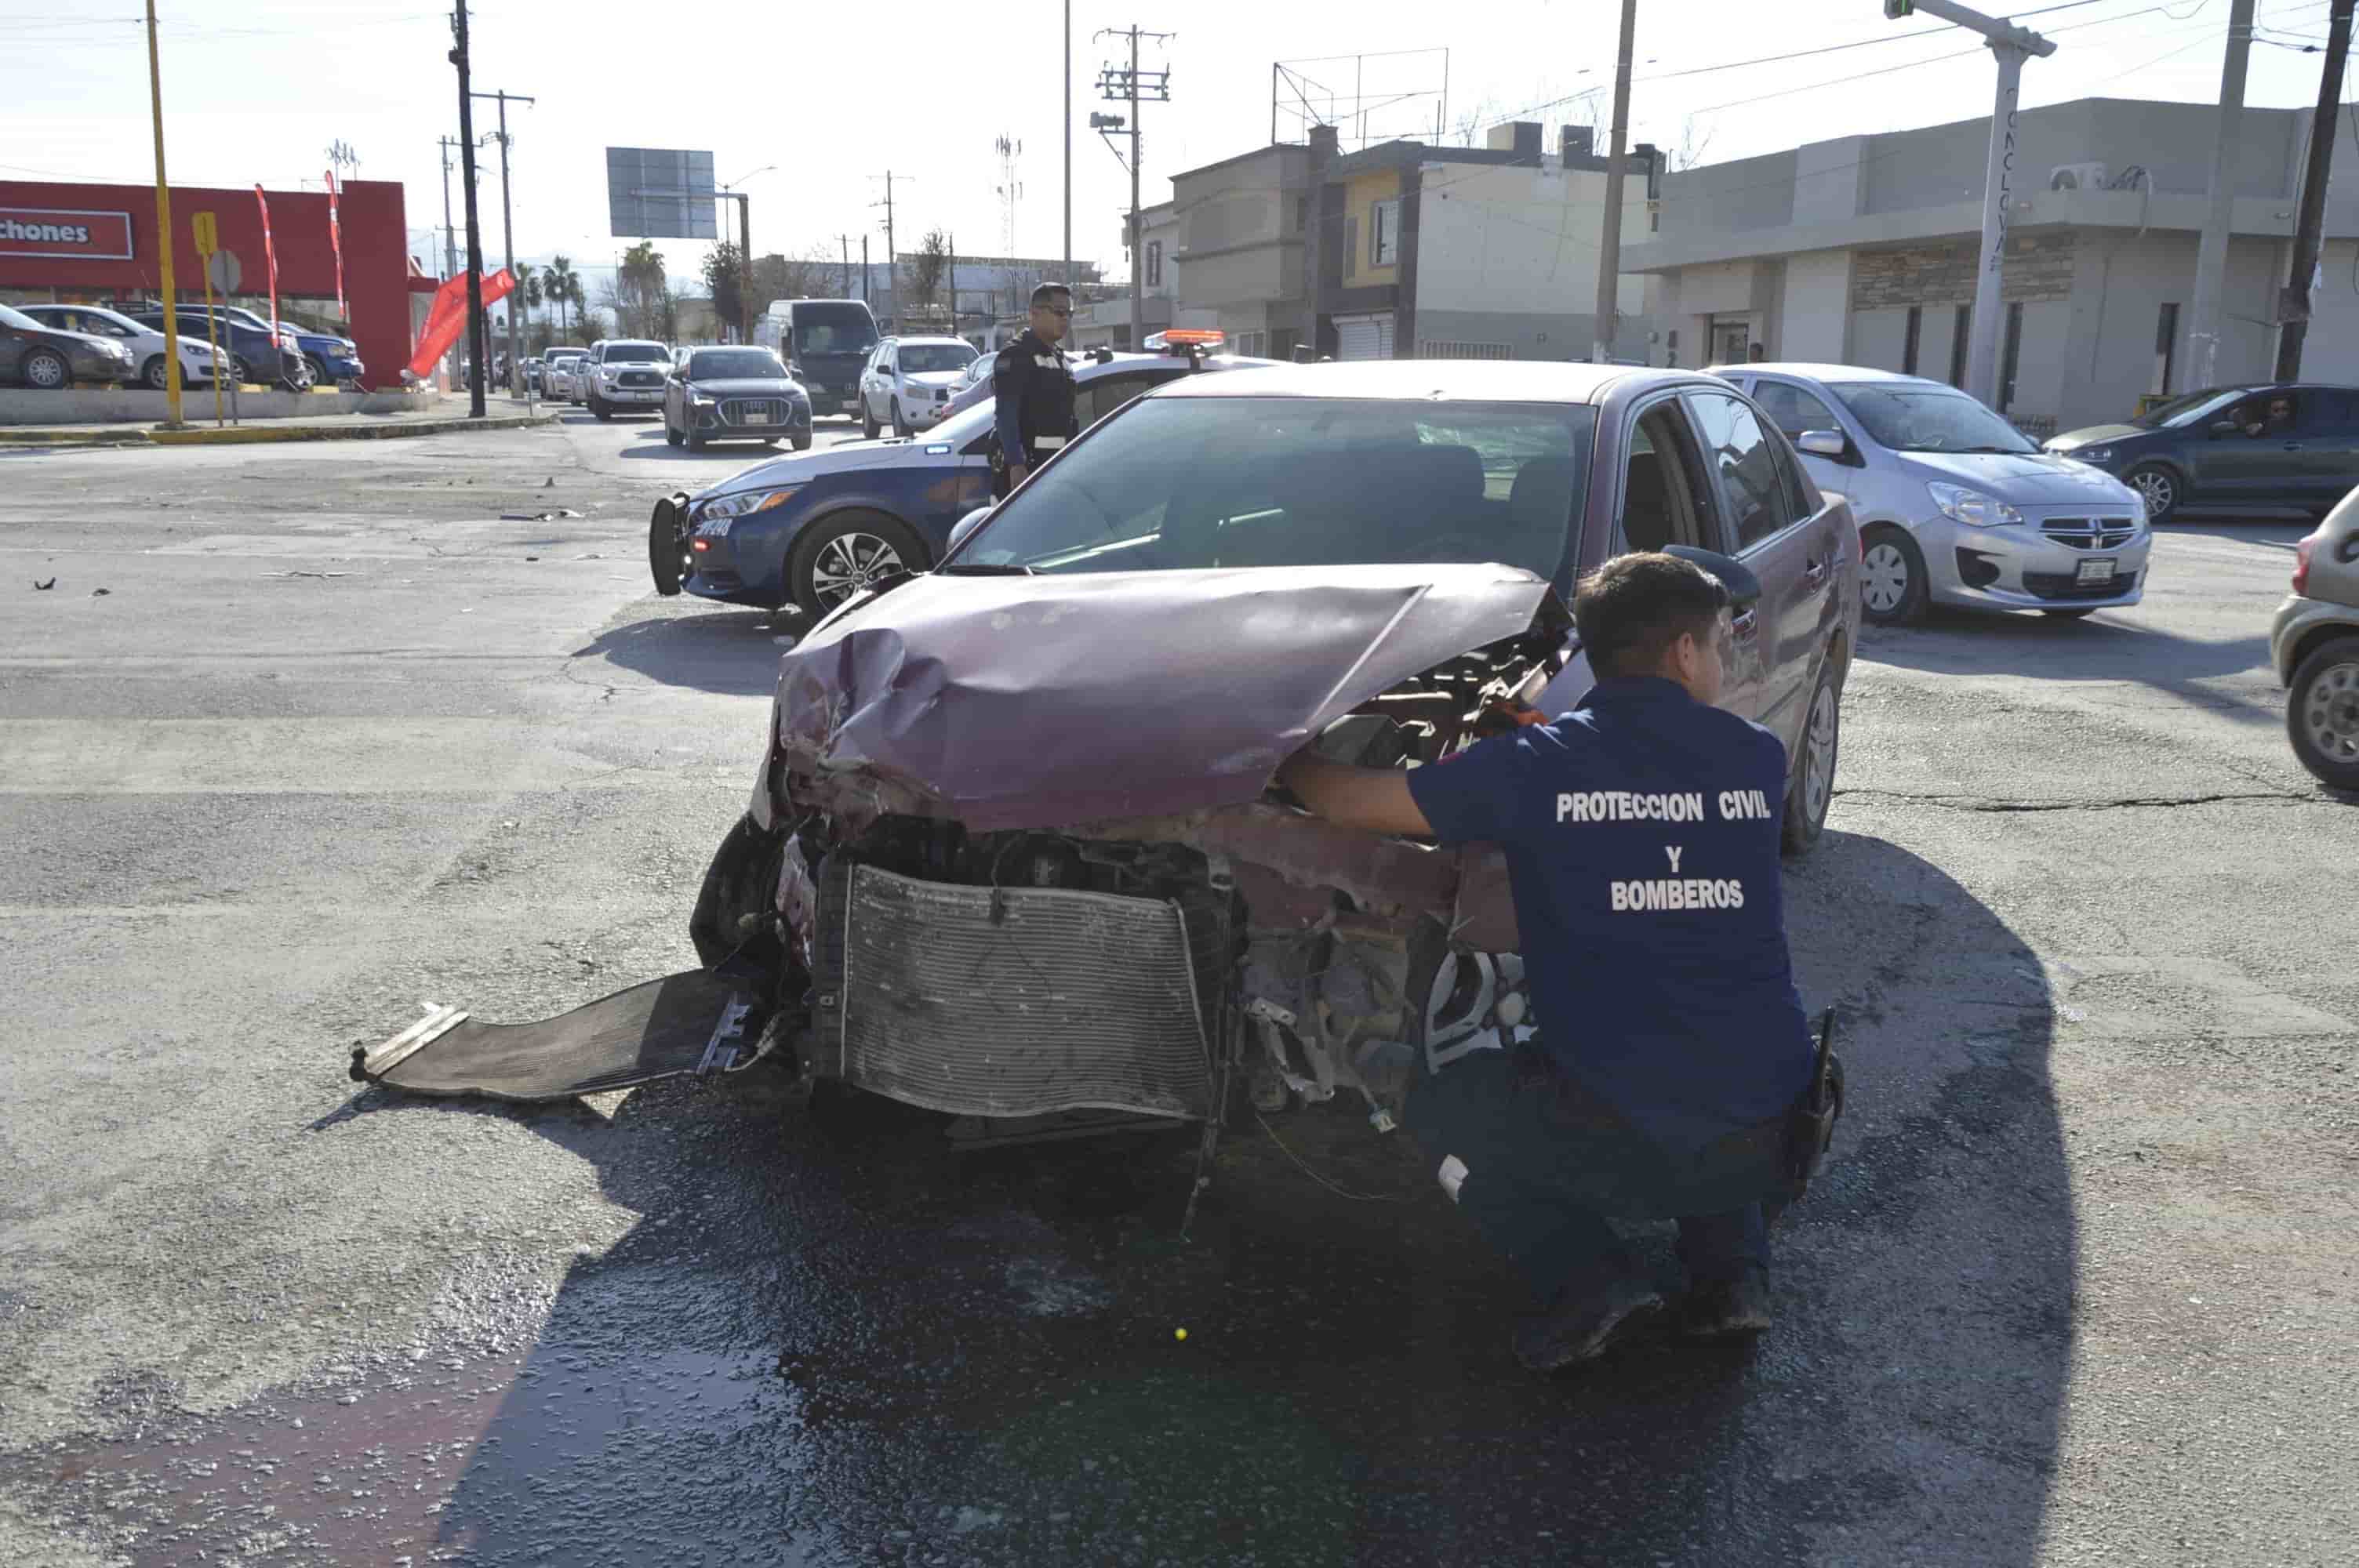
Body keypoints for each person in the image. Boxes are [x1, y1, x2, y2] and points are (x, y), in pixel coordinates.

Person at [1276, 552, 1818, 1374]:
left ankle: (1587, 1278)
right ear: (1680, 652)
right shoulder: (1753, 754)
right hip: (1780, 1125)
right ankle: (1732, 1280)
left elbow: (1347, 804)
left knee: (1434, 1108)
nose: (1723, 659)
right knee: (1713, 1063)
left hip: (1622, 1134)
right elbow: (1639, 786)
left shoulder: (1535, 770)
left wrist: (1287, 753)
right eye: (1716, 643)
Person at [990, 281, 1078, 499]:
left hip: (1054, 467)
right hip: (1026, 471)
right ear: (1034, 314)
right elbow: (1005, 414)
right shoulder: (1016, 355)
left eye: (1069, 313)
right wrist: (1016, 464)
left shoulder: (1060, 358)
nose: (1065, 318)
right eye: (1059, 312)